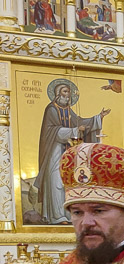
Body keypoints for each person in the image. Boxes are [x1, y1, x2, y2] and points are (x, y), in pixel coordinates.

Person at [36, 79, 109, 225]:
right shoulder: (51, 109)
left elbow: (80, 122)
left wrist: (98, 118)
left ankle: (69, 215)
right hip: (55, 150)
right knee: (55, 180)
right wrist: (74, 131)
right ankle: (56, 216)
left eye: (69, 93)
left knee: (68, 181)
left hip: (68, 151)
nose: (67, 95)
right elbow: (53, 131)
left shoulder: (68, 110)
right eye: (65, 92)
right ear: (58, 94)